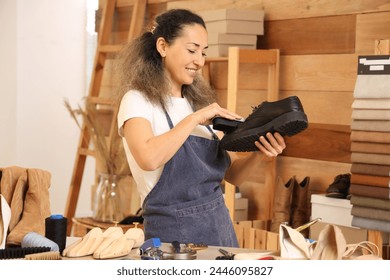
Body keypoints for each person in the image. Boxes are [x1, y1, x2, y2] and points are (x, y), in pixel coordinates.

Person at [116, 9, 286, 247]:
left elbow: (234, 174)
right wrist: (194, 119)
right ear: (163, 46)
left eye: (203, 52)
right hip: (172, 237)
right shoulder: (137, 101)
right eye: (192, 50)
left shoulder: (197, 103)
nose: (200, 60)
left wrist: (261, 153)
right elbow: (149, 158)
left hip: (220, 229)